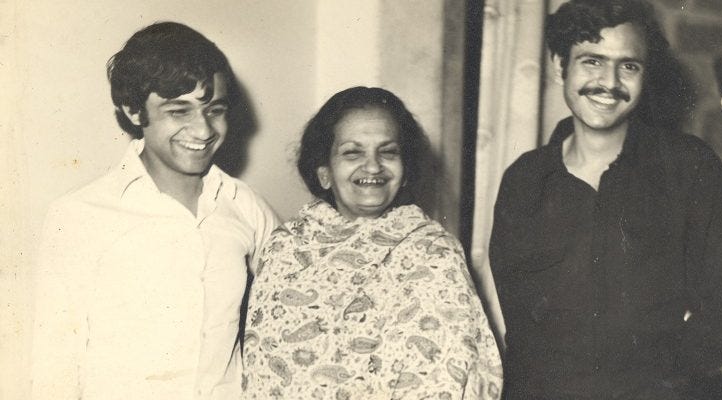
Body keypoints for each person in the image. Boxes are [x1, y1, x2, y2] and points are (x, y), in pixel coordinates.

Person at [489, 0, 722, 398]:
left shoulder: (688, 167)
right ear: (560, 65)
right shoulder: (525, 181)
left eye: (628, 65)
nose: (609, 82)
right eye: (592, 61)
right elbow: (522, 329)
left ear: (645, 77)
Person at [30, 22, 279, 400]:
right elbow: (54, 369)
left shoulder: (245, 206)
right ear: (133, 111)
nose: (203, 129)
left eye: (215, 109)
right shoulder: (78, 216)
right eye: (179, 111)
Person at [242, 86, 503, 399]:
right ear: (324, 172)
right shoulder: (285, 249)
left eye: (388, 152)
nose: (373, 166)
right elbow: (264, 371)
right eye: (353, 152)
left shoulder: (433, 252)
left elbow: (449, 374)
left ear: (405, 172)